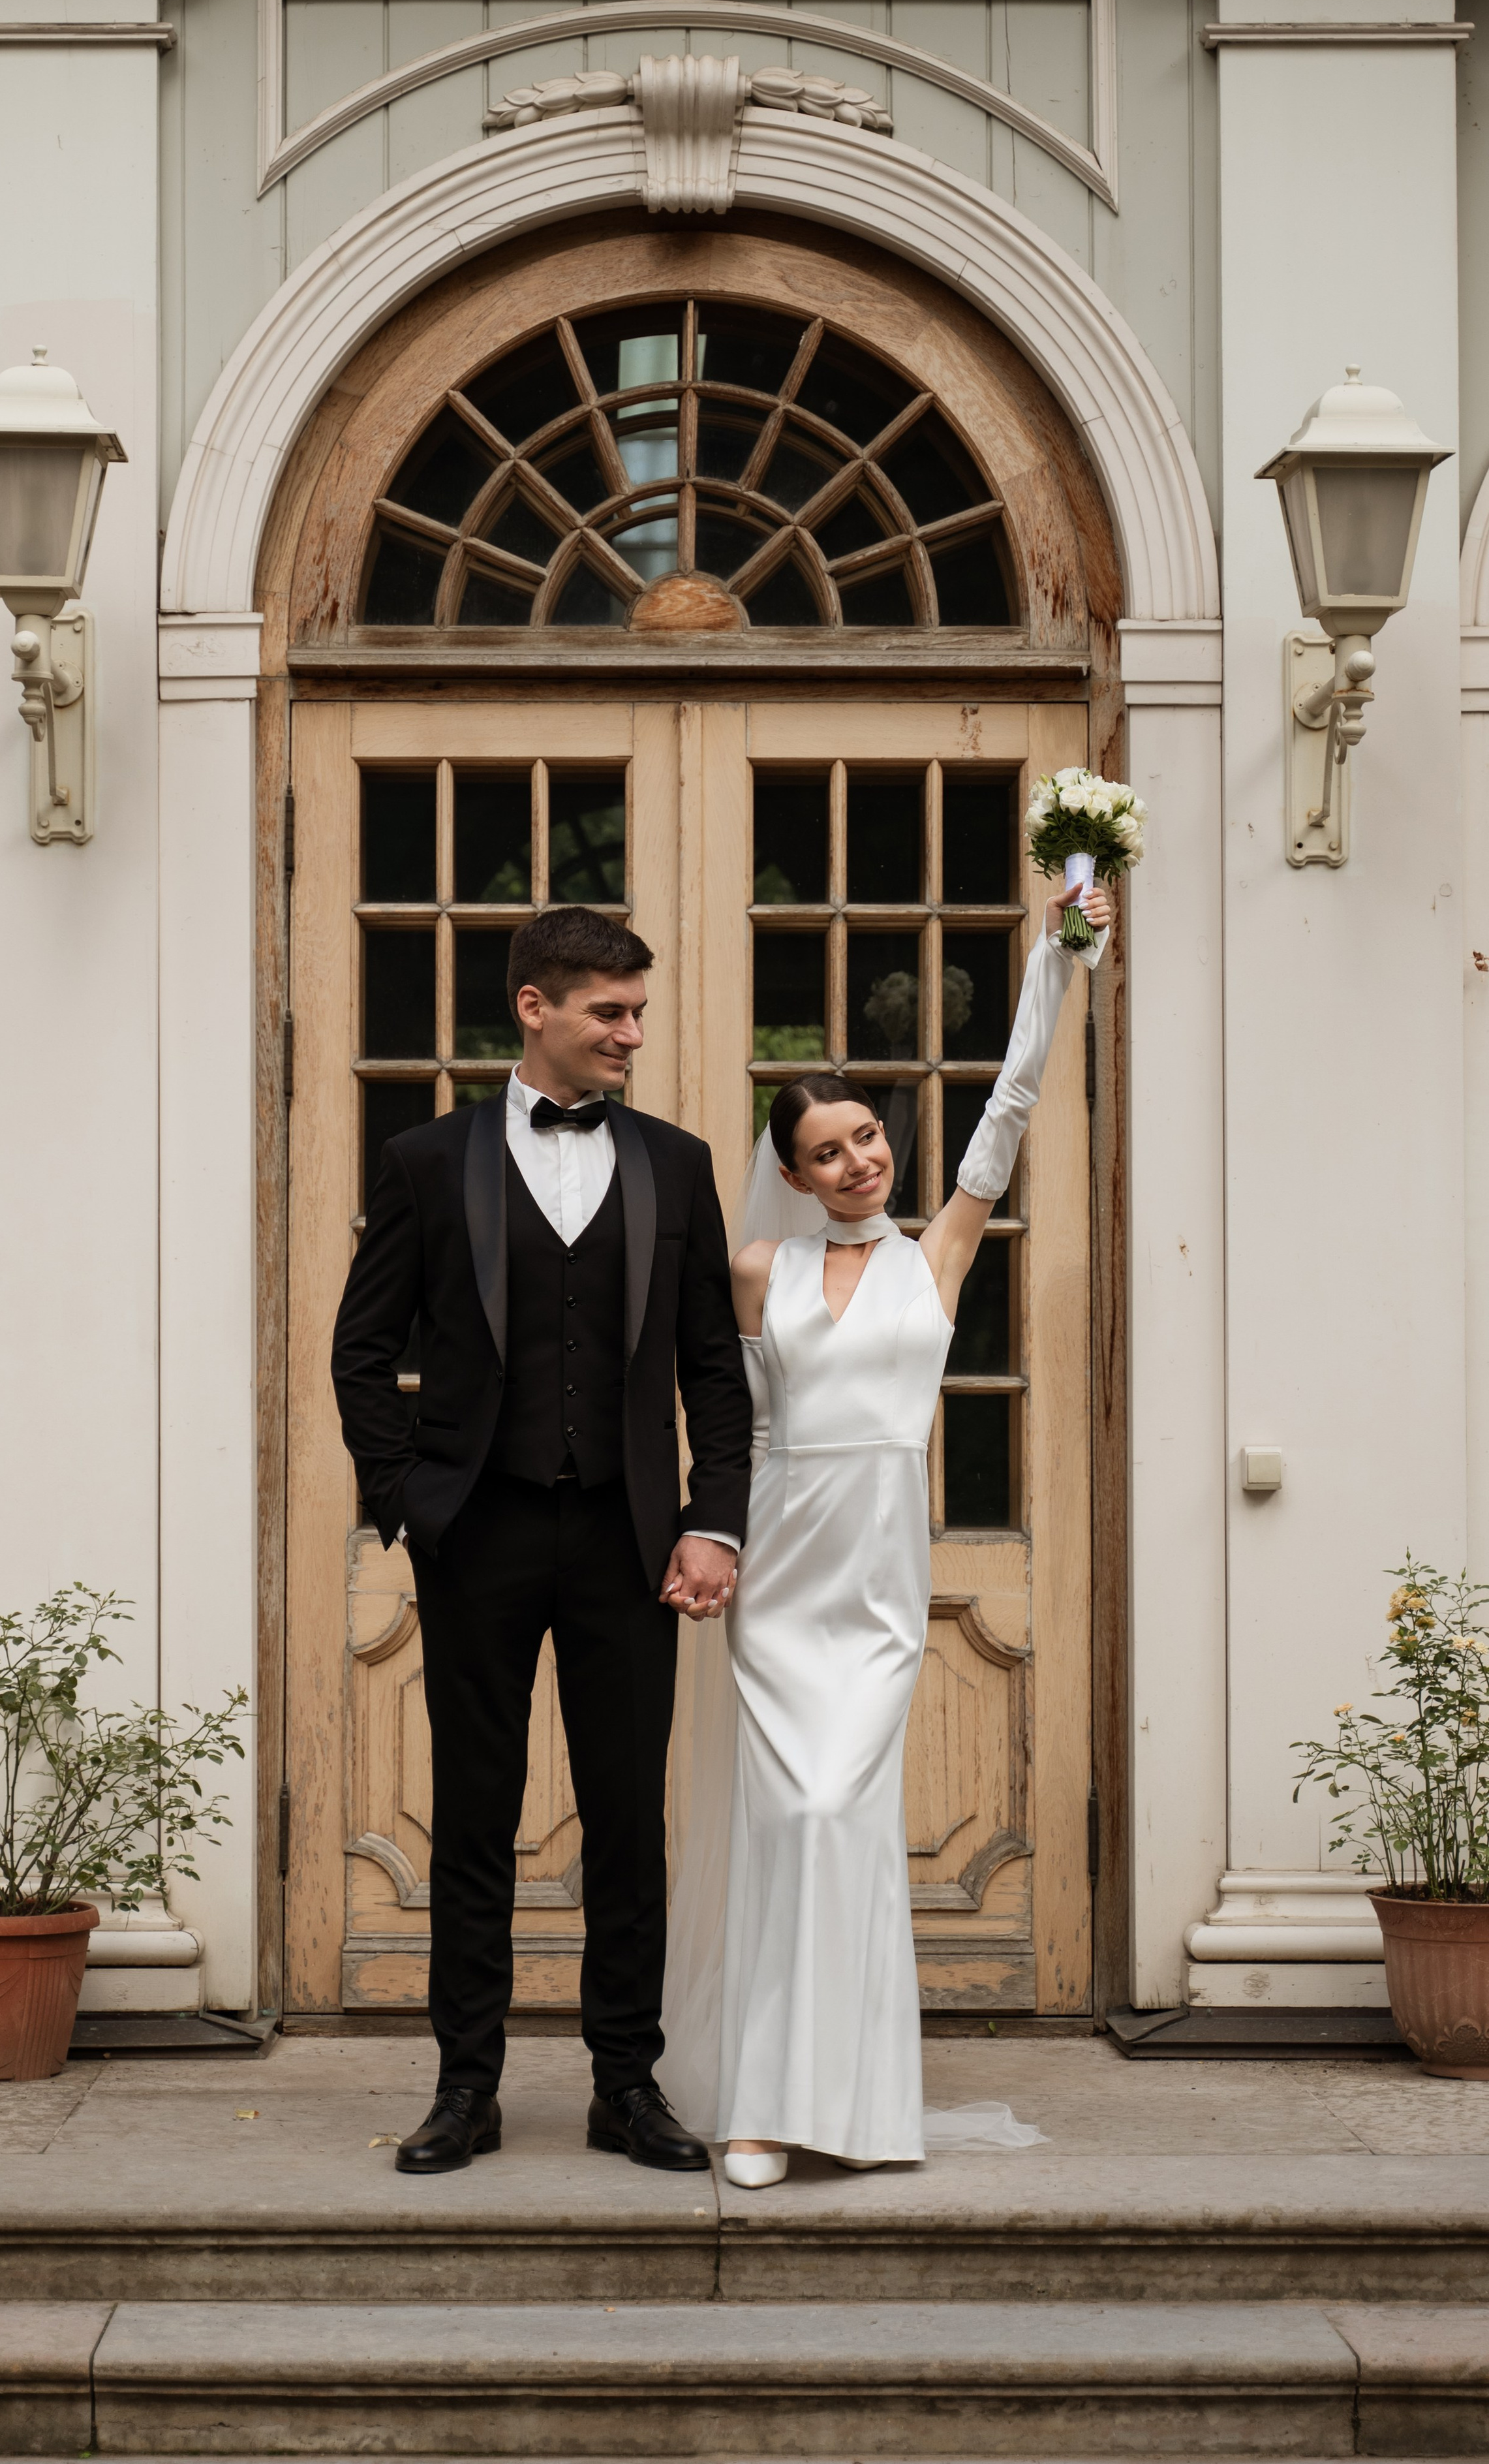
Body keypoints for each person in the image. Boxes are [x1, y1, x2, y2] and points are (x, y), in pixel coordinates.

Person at [657, 876, 1113, 2187]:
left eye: (867, 1139)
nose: (858, 1161)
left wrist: (1056, 956)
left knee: (834, 1818)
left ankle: (841, 2107)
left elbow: (1009, 1109)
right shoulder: (757, 1272)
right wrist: (711, 1538)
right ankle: (759, 2105)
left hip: (873, 1580)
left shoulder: (939, 1253)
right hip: (778, 1577)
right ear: (790, 1176)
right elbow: (725, 1428)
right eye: (828, 1152)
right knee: (782, 1822)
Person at [332, 905, 753, 2177]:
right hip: (479, 1534)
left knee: (630, 1820)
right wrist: (408, 1502)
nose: (632, 1034)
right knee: (475, 1816)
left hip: (630, 1540)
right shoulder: (423, 1160)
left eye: (636, 1012)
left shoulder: (674, 1165)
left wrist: (712, 1519)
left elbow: (711, 1371)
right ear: (534, 1008)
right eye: (608, 1013)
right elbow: (362, 1352)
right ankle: (466, 2087)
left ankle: (625, 2083)